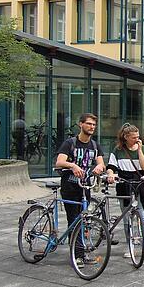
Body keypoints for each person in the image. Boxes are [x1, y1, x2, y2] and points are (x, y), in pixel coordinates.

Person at [55, 113, 106, 268]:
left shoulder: (95, 146)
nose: (91, 127)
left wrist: (99, 167)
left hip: (85, 187)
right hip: (70, 186)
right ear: (80, 124)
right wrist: (73, 165)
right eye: (89, 124)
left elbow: (102, 164)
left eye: (93, 125)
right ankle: (77, 255)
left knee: (84, 220)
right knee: (74, 219)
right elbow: (59, 162)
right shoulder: (70, 143)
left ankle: (80, 252)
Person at [106, 123, 144, 258]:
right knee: (127, 218)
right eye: (133, 137)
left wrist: (139, 151)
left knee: (142, 216)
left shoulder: (142, 147)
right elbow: (111, 166)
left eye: (138, 137)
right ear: (125, 137)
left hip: (139, 184)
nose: (136, 139)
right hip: (124, 184)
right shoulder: (118, 150)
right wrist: (110, 174)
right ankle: (129, 246)